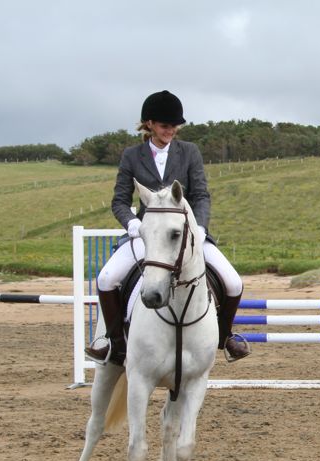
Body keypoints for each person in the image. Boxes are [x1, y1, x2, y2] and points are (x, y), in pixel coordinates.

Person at [85, 90, 249, 365]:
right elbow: (119, 201)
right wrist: (133, 223)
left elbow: (201, 195)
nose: (170, 130)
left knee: (233, 281)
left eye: (174, 126)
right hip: (147, 235)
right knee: (106, 279)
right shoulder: (131, 155)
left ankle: (225, 337)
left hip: (187, 235)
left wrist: (200, 227)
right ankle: (114, 343)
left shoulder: (189, 152)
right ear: (149, 124)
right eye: (164, 125)